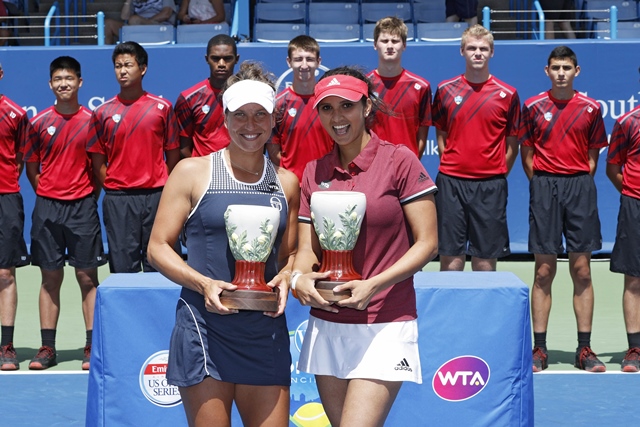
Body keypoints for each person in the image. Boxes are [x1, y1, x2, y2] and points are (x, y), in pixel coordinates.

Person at [147, 61, 299, 426]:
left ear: (273, 119)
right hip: (204, 328)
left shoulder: (287, 183)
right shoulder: (191, 172)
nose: (250, 125)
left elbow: (291, 254)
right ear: (225, 118)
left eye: (260, 115)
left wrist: (288, 275)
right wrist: (203, 284)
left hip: (264, 331)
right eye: (240, 115)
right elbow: (157, 248)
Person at [290, 67, 438, 427]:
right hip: (328, 322)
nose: (337, 117)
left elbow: (428, 243)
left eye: (346, 106)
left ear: (367, 107)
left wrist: (375, 284)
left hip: (385, 321)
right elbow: (308, 250)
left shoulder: (399, 160)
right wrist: (300, 278)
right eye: (327, 108)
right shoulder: (313, 171)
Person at [519, 46, 607, 373]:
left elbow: (593, 157)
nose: (560, 73)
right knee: (543, 271)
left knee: (582, 269)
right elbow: (527, 154)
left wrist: (575, 179)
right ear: (546, 71)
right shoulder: (532, 106)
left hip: (579, 187)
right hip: (544, 188)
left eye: (566, 67)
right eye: (555, 67)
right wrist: (544, 183)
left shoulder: (591, 108)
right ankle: (539, 349)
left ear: (577, 71)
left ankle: (584, 349)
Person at [23, 56, 107, 371]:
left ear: (80, 82)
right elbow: (32, 167)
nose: (63, 84)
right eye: (58, 79)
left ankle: (91, 347)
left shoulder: (92, 121)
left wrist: (83, 195)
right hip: (47, 209)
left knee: (87, 278)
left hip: (83, 207)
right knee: (49, 279)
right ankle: (47, 348)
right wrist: (48, 191)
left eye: (69, 78)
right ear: (50, 84)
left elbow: (98, 169)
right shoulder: (39, 122)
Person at [431, 24, 520, 272]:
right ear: (462, 51)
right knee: (451, 260)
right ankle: (450, 313)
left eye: (483, 48)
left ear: (492, 52)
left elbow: (512, 142)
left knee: (484, 262)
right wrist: (452, 162)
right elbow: (441, 132)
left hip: (490, 186)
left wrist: (497, 171)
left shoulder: (508, 94)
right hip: (451, 184)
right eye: (472, 48)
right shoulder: (445, 90)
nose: (477, 53)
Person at [87, 41, 180, 273]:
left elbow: (173, 155)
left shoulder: (162, 108)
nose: (122, 70)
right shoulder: (102, 112)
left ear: (143, 68)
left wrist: (161, 187)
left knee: (159, 266)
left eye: (128, 64)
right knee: (122, 268)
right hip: (119, 200)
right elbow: (98, 160)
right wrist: (115, 185)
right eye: (118, 66)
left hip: (157, 197)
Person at [606, 67, 640, 372]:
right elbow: (613, 168)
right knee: (634, 280)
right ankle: (635, 348)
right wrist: (633, 193)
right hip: (635, 207)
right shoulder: (627, 122)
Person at [266, 35, 334, 182]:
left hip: (327, 181)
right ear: (289, 62)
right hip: (291, 183)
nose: (304, 65)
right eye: (298, 59)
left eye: (309, 59)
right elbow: (273, 150)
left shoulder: (329, 101)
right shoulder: (278, 105)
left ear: (318, 62)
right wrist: (290, 176)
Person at [0, 62, 31, 371]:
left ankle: (6, 345)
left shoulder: (15, 114)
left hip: (5, 197)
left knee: (5, 274)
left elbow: (20, 158)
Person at [366, 16, 432, 159]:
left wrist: (411, 163)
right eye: (384, 41)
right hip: (371, 167)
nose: (390, 46)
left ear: (404, 45)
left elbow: (422, 134)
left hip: (406, 167)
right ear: (375, 44)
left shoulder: (421, 87)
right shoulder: (364, 85)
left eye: (395, 41)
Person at [174, 34, 239, 158]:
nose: (221, 64)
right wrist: (200, 170)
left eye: (227, 58)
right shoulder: (189, 99)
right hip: (203, 173)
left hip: (241, 171)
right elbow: (183, 149)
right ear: (206, 59)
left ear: (236, 59)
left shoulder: (249, 95)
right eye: (215, 58)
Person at [104, 0, 177, 45]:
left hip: (159, 27)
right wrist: (128, 1)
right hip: (136, 27)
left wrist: (145, 22)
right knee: (108, 24)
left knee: (134, 20)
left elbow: (166, 13)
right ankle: (106, 56)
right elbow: (124, 17)